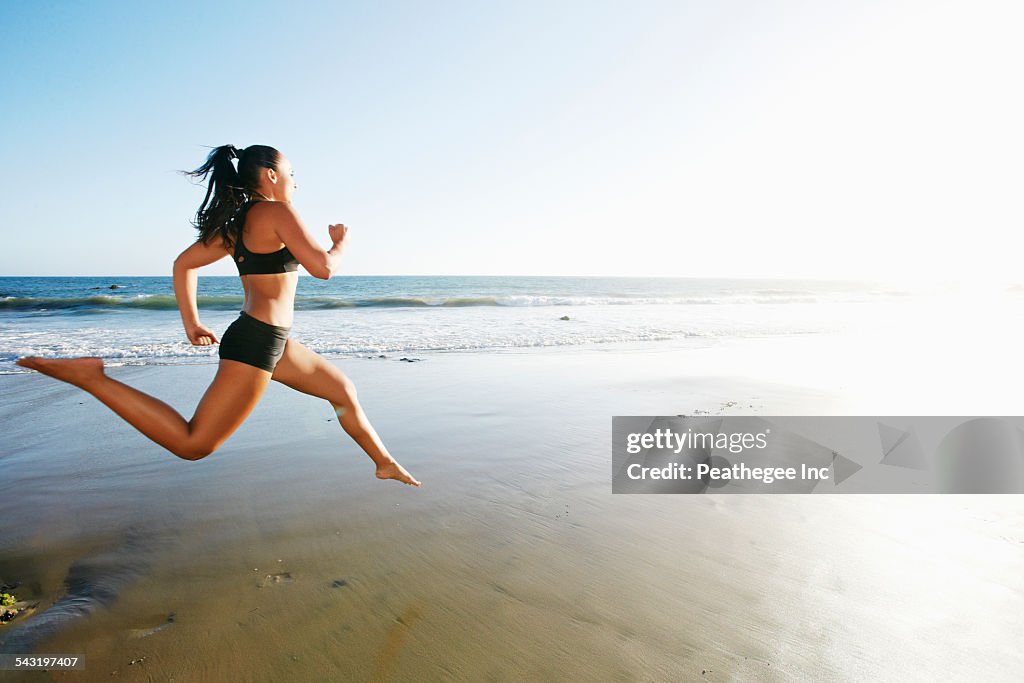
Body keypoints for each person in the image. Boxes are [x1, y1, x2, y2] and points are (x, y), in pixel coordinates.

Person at [16, 144, 420, 486]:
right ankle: (93, 378)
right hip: (258, 340)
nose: (296, 182)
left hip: (267, 338)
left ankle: (383, 463)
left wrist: (191, 321)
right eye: (292, 173)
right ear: (271, 174)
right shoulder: (278, 212)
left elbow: (183, 264)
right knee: (194, 444)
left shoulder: (239, 223)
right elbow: (324, 269)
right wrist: (341, 243)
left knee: (342, 391)